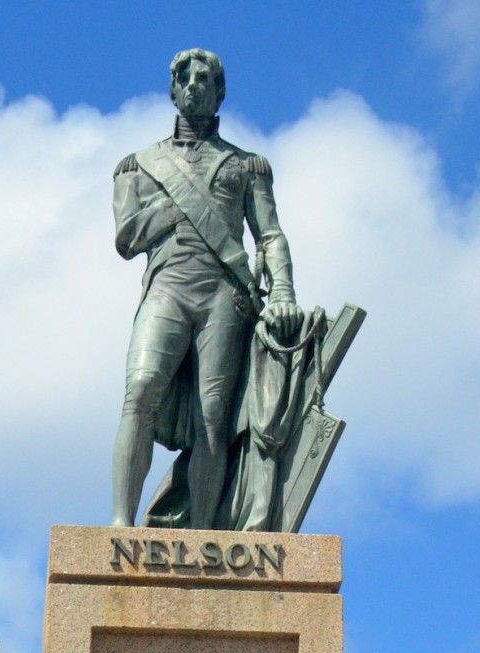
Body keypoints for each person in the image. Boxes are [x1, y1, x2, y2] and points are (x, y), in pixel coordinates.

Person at [111, 46, 302, 529]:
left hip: (224, 297)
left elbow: (269, 235)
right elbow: (127, 238)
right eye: (185, 79)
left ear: (220, 92)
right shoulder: (138, 165)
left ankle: (200, 536)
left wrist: (282, 292)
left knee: (213, 417)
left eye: (204, 79)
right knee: (140, 390)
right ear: (173, 90)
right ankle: (119, 525)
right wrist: (176, 205)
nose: (194, 85)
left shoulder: (247, 165)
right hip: (168, 288)